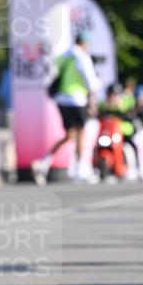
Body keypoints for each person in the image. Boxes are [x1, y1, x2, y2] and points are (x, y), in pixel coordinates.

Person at [32, 32, 100, 184]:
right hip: (76, 99)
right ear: (84, 43)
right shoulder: (82, 57)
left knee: (70, 135)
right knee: (82, 131)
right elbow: (91, 82)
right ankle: (81, 169)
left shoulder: (62, 56)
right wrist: (95, 89)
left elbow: (51, 75)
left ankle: (44, 161)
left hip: (61, 100)